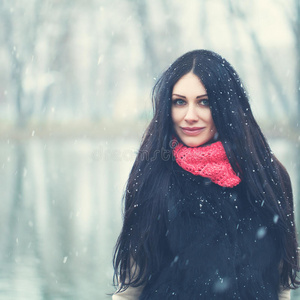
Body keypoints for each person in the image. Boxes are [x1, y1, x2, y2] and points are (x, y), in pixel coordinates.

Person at [112, 50, 299, 299]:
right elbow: (130, 291)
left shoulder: (269, 176)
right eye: (179, 102)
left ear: (227, 107)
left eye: (204, 102)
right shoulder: (154, 175)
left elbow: (280, 284)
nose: (189, 116)